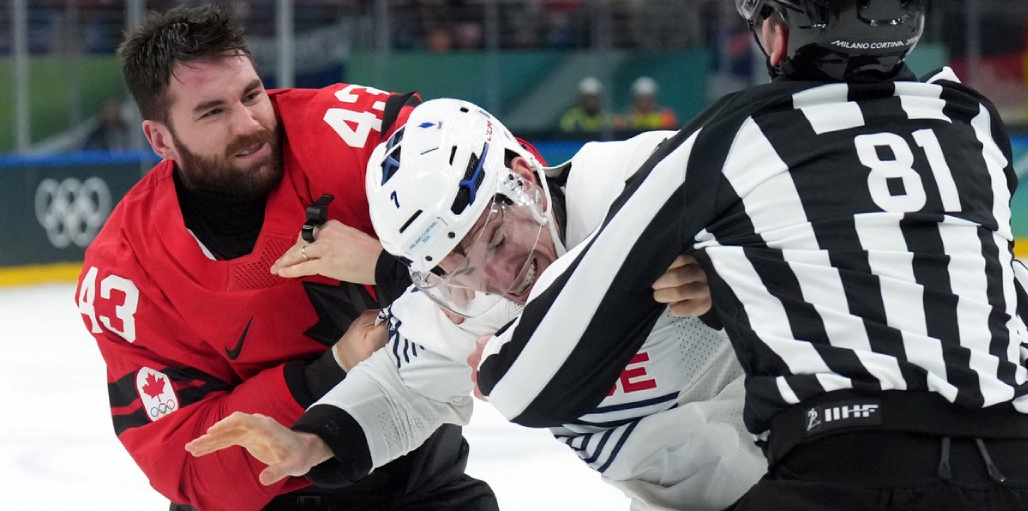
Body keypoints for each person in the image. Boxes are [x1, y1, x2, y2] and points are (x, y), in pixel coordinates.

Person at [474, 0, 1028, 511]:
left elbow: (532, 385)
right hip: (1014, 474)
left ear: (777, 35)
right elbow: (991, 312)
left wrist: (497, 359)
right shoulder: (973, 124)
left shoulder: (733, 136)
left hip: (845, 470)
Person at [185, 98, 767, 511]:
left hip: (804, 462)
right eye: (458, 269)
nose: (501, 279)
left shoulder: (646, 181)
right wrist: (310, 442)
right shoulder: (473, 303)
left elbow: (810, 222)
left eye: (496, 240)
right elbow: (403, 387)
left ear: (524, 177)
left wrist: (731, 276)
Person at [73, 4, 497, 511]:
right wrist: (331, 369)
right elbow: (188, 463)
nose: (249, 123)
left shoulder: (354, 138)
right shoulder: (128, 268)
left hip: (415, 485)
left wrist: (387, 267)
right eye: (213, 112)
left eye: (252, 95)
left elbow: (525, 216)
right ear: (160, 138)